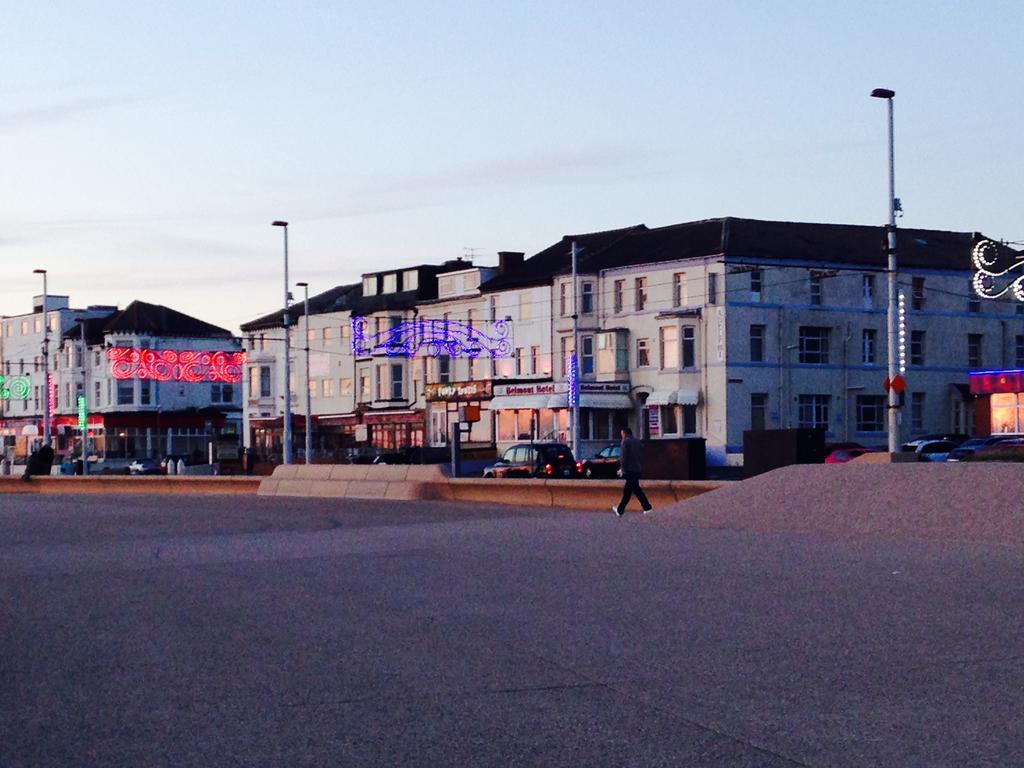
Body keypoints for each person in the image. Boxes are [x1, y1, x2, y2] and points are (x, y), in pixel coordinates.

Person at [613, 427, 652, 516]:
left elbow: (623, 457)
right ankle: (620, 510)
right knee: (627, 491)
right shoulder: (638, 442)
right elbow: (642, 455)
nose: (621, 435)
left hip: (629, 470)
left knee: (636, 489)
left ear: (624, 433)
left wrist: (623, 469)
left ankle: (647, 507)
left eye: (621, 434)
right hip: (637, 469)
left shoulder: (625, 442)